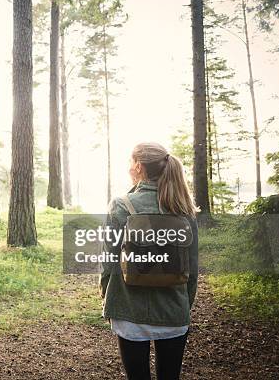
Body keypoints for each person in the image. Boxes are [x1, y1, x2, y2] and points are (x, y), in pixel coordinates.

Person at [100, 142, 199, 380]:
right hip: (174, 309)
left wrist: (107, 295)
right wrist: (185, 303)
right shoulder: (183, 208)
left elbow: (109, 259)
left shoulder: (121, 206)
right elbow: (192, 265)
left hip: (129, 309)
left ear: (138, 166)